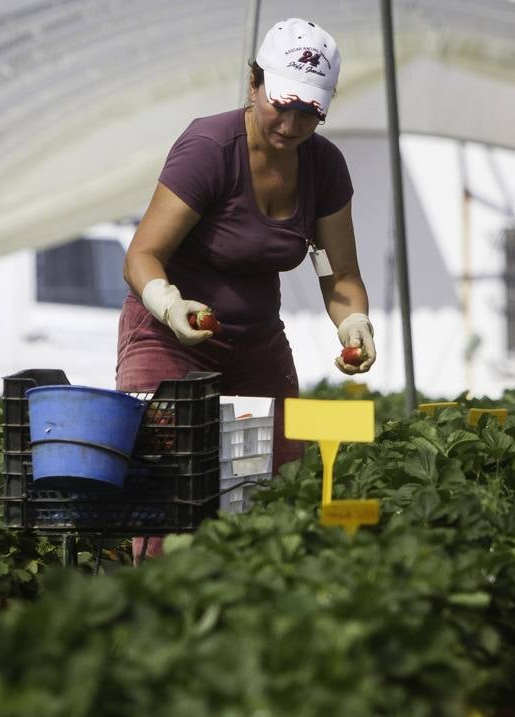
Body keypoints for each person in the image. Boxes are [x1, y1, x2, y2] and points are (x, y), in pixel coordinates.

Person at [117, 17, 376, 561]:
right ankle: (151, 619)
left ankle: (250, 631)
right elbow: (142, 256)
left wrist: (354, 323)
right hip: (168, 338)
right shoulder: (211, 146)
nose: (291, 122)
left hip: (256, 346)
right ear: (253, 82)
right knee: (166, 503)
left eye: (309, 111)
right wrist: (168, 304)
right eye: (282, 103)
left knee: (267, 502)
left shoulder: (324, 166)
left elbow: (340, 276)